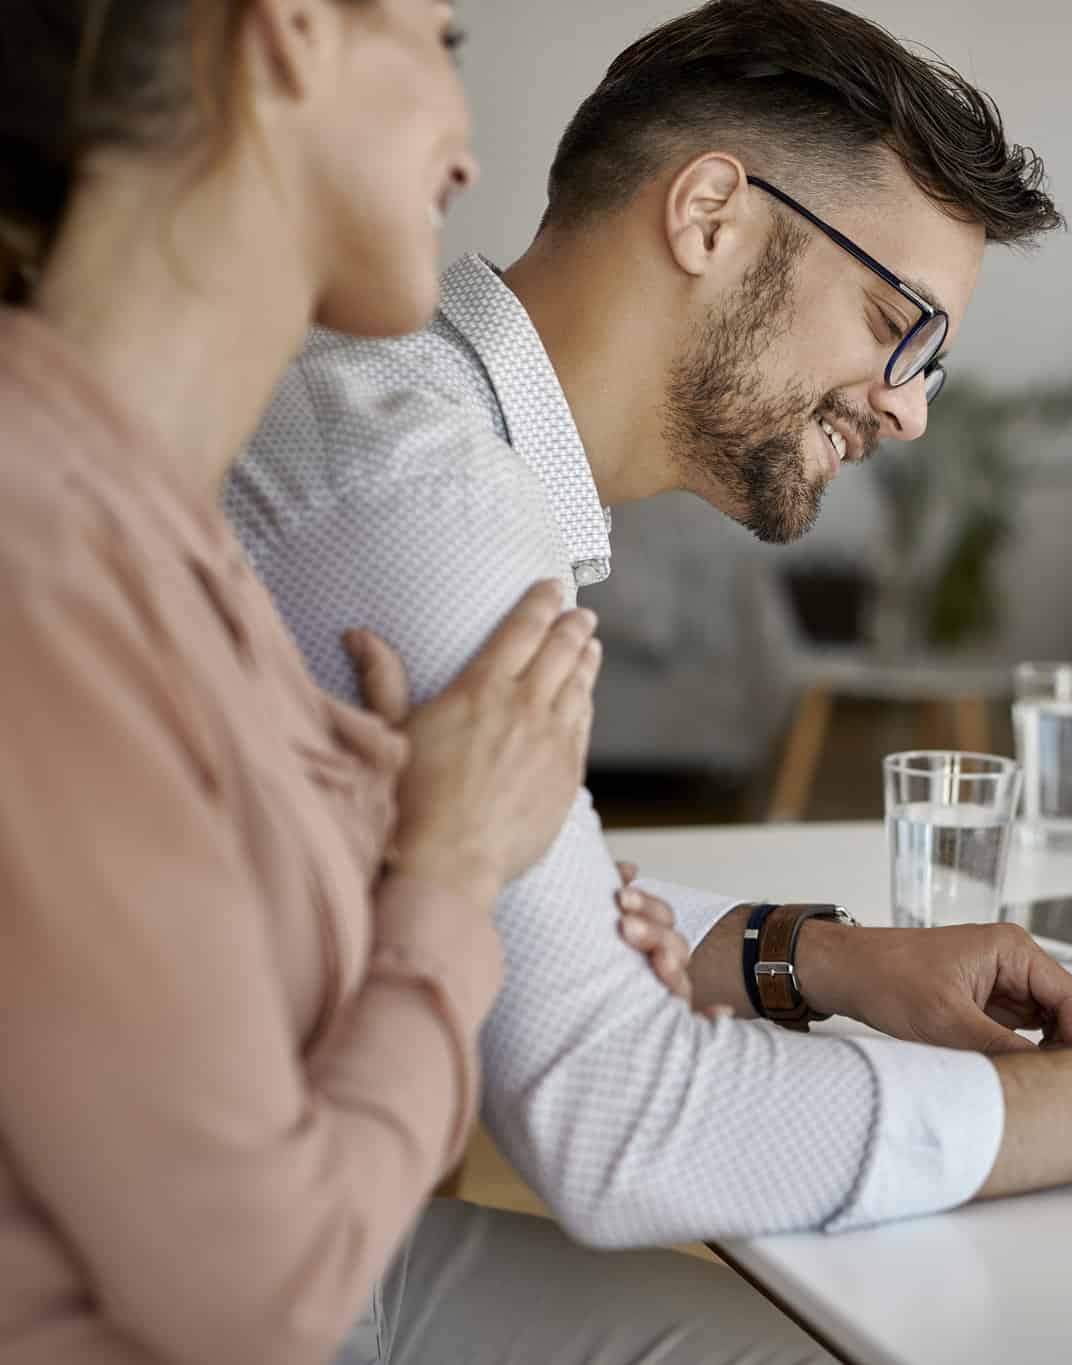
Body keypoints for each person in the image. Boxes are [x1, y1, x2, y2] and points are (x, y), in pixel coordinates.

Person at [225, 0, 1072, 1352]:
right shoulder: (428, 506)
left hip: (318, 1231)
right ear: (711, 216)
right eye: (903, 328)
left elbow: (491, 874)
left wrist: (815, 956)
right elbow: (614, 1114)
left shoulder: (429, 439)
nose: (910, 410)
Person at [0, 0, 638, 1360]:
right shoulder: (45, 563)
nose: (467, 149)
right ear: (289, 27)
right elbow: (263, 1300)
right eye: (442, 46)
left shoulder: (158, 525)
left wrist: (390, 831)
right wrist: (450, 879)